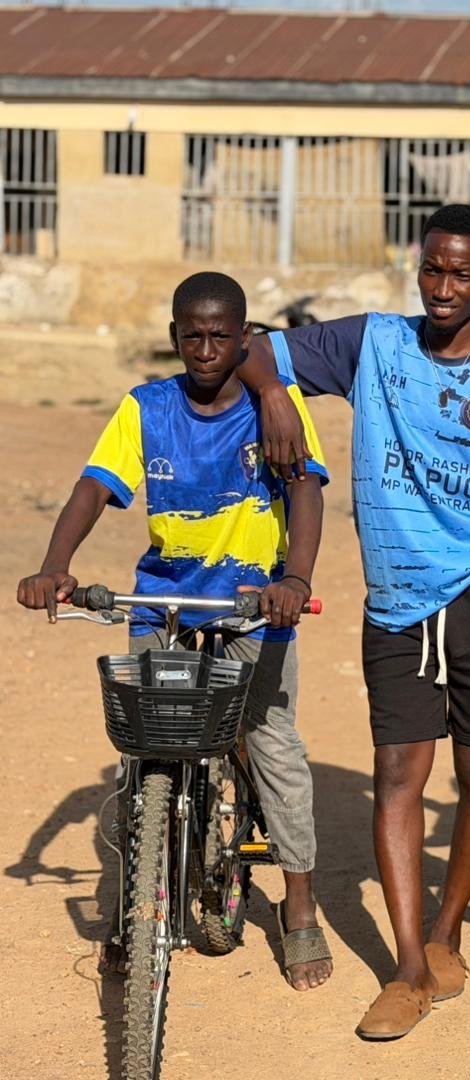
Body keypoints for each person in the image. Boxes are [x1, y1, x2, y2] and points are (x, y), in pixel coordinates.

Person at [238, 204, 470, 1038]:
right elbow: (256, 348)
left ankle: (445, 933)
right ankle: (409, 970)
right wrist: (273, 392)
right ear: (420, 267)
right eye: (432, 269)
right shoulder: (369, 343)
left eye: (461, 274)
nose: (444, 288)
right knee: (398, 770)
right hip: (401, 597)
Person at [16, 271, 334, 992]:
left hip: (256, 599)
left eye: (222, 335)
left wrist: (296, 581)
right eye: (191, 335)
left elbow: (305, 493)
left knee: (271, 738)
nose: (206, 348)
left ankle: (301, 908)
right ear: (172, 338)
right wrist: (54, 566)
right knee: (145, 742)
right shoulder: (147, 408)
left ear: (244, 338)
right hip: (164, 596)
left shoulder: (274, 411)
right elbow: (94, 486)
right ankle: (138, 905)